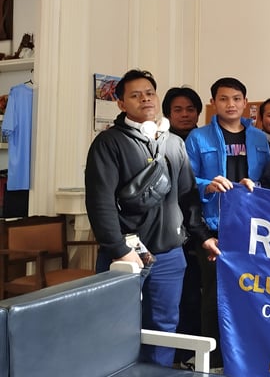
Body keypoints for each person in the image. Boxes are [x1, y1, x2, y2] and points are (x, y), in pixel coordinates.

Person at [84, 69, 218, 367]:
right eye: (135, 95)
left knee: (164, 326)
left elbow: (187, 197)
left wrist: (203, 237)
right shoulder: (108, 143)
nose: (145, 99)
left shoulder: (174, 143)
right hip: (125, 254)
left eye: (149, 93)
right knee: (116, 325)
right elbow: (99, 202)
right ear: (121, 104)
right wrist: (118, 249)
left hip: (170, 255)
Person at [185, 77, 270, 369]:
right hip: (214, 227)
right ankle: (213, 360)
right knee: (213, 295)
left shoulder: (259, 138)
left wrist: (256, 186)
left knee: (249, 294)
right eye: (223, 99)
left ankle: (245, 357)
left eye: (236, 98)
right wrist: (207, 185)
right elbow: (186, 180)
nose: (230, 104)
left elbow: (269, 181)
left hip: (251, 229)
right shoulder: (198, 138)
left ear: (245, 102)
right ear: (213, 103)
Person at [161, 85, 205, 366]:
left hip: (203, 228)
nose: (185, 114)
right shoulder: (161, 142)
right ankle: (176, 355)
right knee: (177, 297)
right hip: (171, 232)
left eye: (190, 109)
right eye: (178, 110)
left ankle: (195, 352)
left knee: (200, 296)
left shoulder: (205, 140)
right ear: (168, 113)